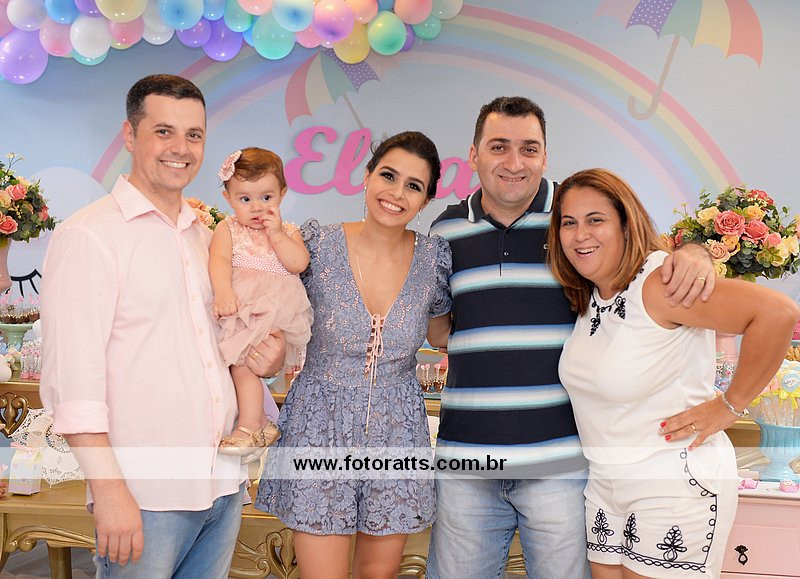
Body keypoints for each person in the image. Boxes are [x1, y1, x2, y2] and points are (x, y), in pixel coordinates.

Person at [427, 97, 715, 578]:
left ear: (545, 156)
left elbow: (645, 253)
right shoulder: (446, 230)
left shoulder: (574, 217)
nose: (514, 162)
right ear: (474, 154)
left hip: (561, 464)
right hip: (468, 465)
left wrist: (697, 252)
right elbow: (439, 325)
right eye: (499, 147)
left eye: (529, 148)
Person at [40, 74, 285, 578]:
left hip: (220, 484)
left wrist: (268, 357)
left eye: (194, 135)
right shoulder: (89, 235)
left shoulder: (205, 236)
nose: (181, 148)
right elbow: (73, 380)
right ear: (130, 135)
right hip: (144, 493)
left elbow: (223, 344)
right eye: (164, 131)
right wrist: (109, 490)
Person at [549, 168, 799, 577]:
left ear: (626, 225)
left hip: (671, 481)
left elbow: (777, 314)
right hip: (605, 484)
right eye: (569, 223)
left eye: (596, 220)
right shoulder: (590, 294)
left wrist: (730, 405)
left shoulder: (661, 281)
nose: (580, 235)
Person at [256, 131, 452, 578]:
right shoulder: (316, 246)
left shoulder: (433, 259)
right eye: (388, 175)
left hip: (397, 432)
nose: (396, 193)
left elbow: (442, 333)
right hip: (318, 426)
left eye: (414, 186)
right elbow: (274, 312)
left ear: (426, 200)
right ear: (366, 176)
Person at [210, 147, 313, 459]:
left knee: (246, 364)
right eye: (245, 199)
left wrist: (277, 234)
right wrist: (223, 292)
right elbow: (218, 261)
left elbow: (298, 263)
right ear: (228, 198)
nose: (257, 207)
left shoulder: (289, 230)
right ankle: (258, 422)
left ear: (282, 194)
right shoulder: (227, 229)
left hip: (276, 311)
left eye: (266, 198)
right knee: (241, 365)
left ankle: (251, 424)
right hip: (243, 308)